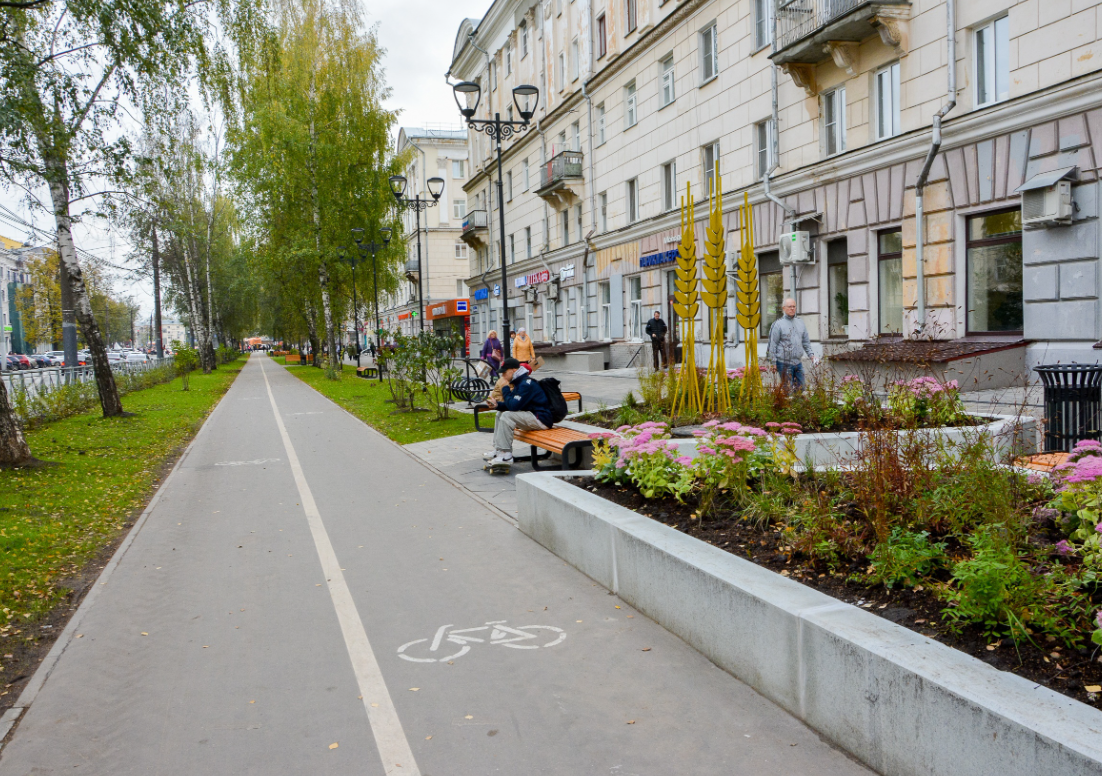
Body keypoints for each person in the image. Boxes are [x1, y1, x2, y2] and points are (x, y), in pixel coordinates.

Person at [483, 358, 553, 470]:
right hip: (532, 416)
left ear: (514, 370)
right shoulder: (519, 382)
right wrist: (497, 405)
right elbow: (512, 404)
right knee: (501, 414)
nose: (503, 376)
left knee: (507, 416)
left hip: (541, 419)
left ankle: (506, 455)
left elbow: (513, 407)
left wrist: (505, 388)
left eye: (505, 372)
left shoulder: (526, 384)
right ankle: (498, 450)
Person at [766, 298, 819, 389]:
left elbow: (806, 342)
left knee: (801, 388)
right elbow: (773, 344)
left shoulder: (800, 323)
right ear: (784, 308)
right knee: (788, 390)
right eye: (790, 307)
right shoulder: (778, 325)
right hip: (783, 363)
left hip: (797, 362)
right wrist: (773, 362)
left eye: (794, 306)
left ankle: (797, 403)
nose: (792, 309)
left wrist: (811, 355)